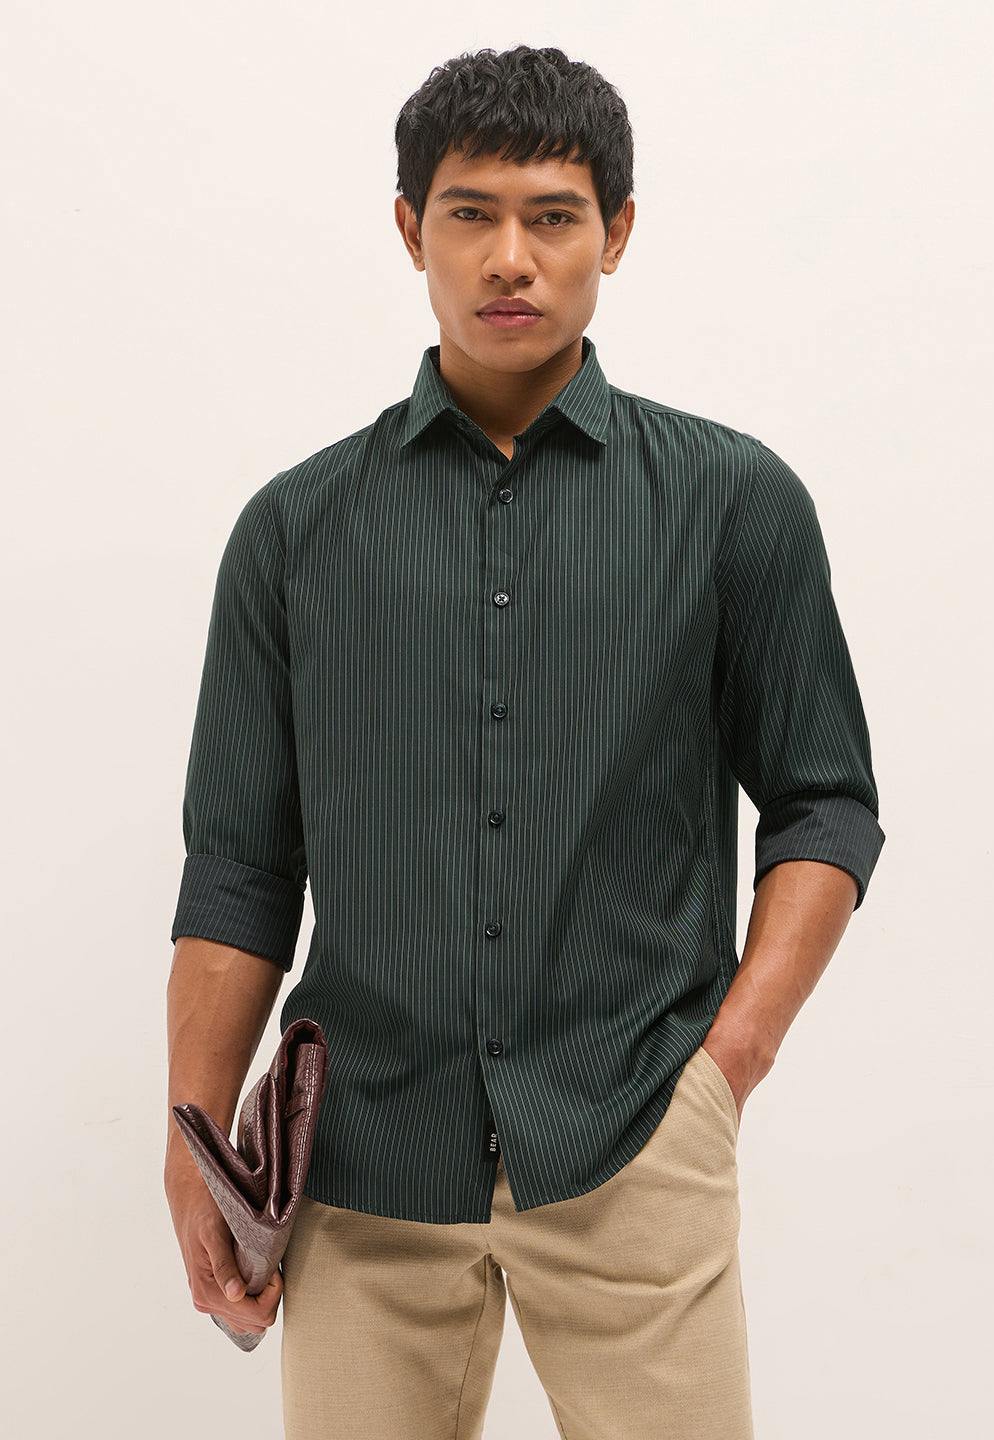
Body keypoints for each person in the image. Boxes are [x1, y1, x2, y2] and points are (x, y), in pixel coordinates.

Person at [165, 44, 884, 1440]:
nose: (511, 258)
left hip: (633, 1135)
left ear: (617, 231)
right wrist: (194, 1140)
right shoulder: (295, 533)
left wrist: (725, 1069)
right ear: (409, 229)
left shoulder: (733, 504)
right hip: (362, 1160)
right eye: (470, 213)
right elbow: (241, 870)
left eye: (554, 216)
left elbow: (825, 805)